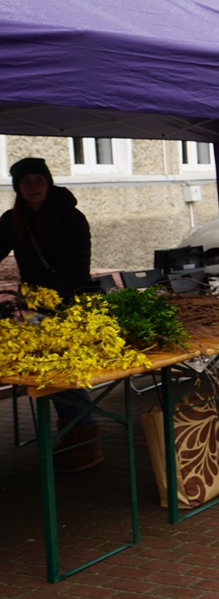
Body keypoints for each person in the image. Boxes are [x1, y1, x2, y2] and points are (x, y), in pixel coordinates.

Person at [0, 157, 103, 472]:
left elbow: (78, 270)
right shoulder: (12, 220)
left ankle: (87, 444)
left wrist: (42, 291)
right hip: (36, 309)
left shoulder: (71, 218)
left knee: (67, 374)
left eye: (39, 180)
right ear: (18, 187)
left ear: (48, 183)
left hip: (70, 305)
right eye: (26, 181)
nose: (33, 187)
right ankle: (71, 437)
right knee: (49, 375)